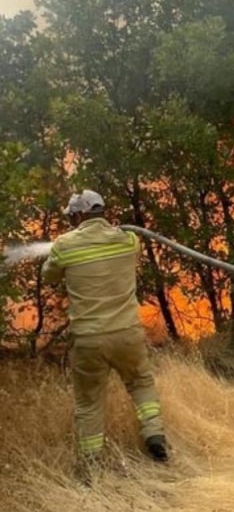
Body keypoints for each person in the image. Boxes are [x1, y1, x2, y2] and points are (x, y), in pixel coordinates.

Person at [42, 189, 169, 471]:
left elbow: (48, 275)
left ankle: (91, 464)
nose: (71, 221)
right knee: (141, 384)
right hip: (127, 333)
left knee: (89, 403)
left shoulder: (64, 245)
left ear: (79, 215)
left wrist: (60, 251)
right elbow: (129, 245)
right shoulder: (129, 240)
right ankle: (154, 435)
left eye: (72, 217)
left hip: (88, 339)